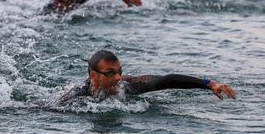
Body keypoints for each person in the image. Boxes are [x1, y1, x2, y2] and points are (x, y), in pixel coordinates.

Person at [60, 50, 236, 102]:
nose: (117, 78)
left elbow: (166, 80)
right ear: (93, 75)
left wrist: (208, 84)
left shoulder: (127, 86)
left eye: (119, 72)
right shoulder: (77, 97)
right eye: (110, 73)